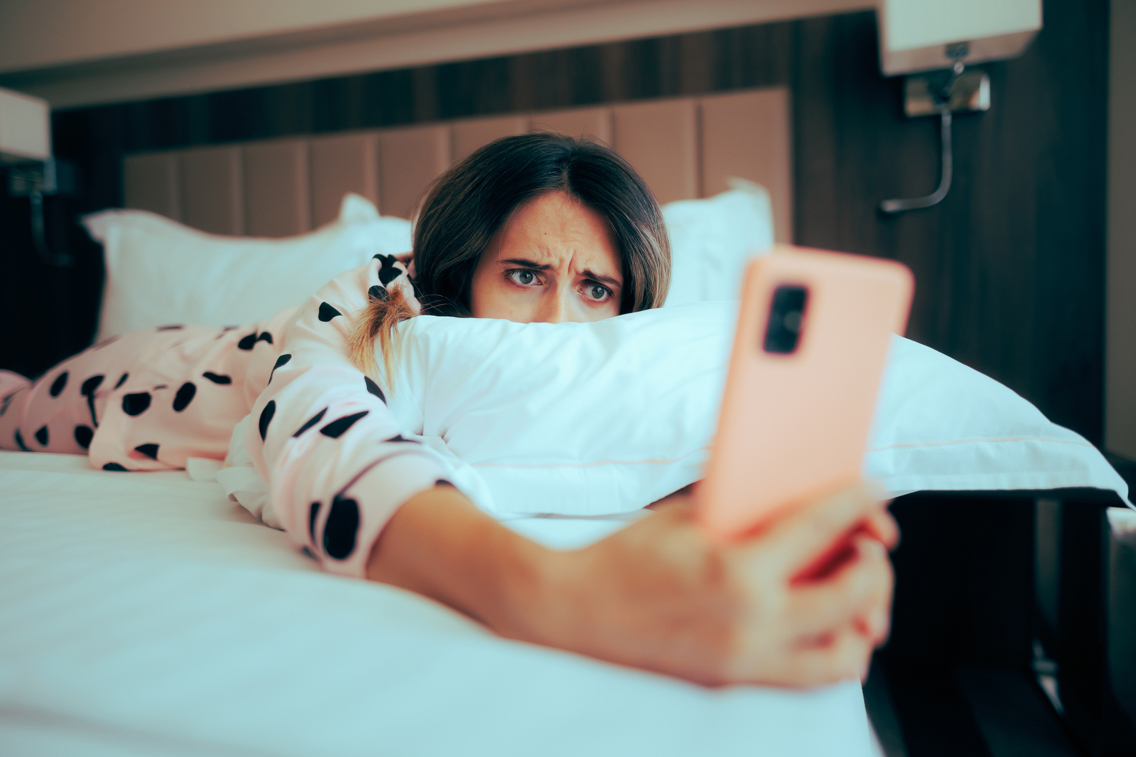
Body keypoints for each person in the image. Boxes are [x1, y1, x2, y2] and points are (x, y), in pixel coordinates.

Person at [0, 133, 896, 688]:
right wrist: (556, 592)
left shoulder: (631, 361)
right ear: (460, 272)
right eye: (524, 275)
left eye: (595, 288)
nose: (557, 320)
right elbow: (313, 431)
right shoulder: (378, 300)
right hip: (134, 379)